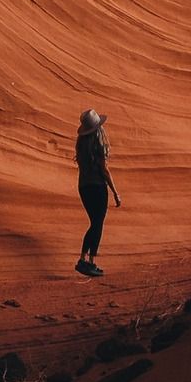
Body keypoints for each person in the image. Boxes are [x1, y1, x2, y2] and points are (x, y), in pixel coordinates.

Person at [74, 107, 120, 276]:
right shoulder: (98, 146)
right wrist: (115, 192)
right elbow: (104, 170)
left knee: (94, 223)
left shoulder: (81, 145)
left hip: (84, 188)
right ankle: (90, 261)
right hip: (98, 188)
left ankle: (83, 259)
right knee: (98, 224)